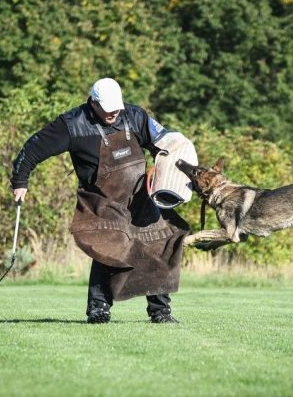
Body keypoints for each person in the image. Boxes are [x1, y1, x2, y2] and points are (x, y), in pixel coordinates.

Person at [11, 78, 189, 324]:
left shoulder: (135, 116)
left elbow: (165, 143)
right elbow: (33, 148)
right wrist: (20, 181)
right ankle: (98, 309)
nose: (114, 113)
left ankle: (160, 312)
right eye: (107, 108)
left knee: (159, 241)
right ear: (93, 102)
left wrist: (176, 171)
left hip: (138, 197)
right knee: (110, 245)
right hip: (99, 201)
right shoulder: (72, 124)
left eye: (116, 108)